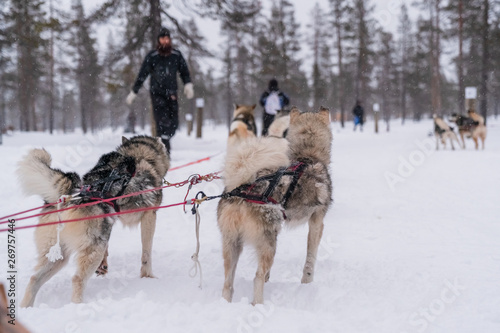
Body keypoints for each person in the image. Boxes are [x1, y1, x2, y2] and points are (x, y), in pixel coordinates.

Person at [126, 27, 194, 153]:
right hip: (157, 94)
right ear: (159, 40)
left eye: (167, 38)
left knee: (174, 124)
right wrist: (134, 91)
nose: (165, 41)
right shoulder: (152, 56)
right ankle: (164, 151)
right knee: (162, 122)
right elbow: (142, 75)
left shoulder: (176, 55)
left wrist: (188, 84)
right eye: (162, 39)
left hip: (172, 93)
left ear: (170, 40)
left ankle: (164, 143)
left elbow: (184, 72)